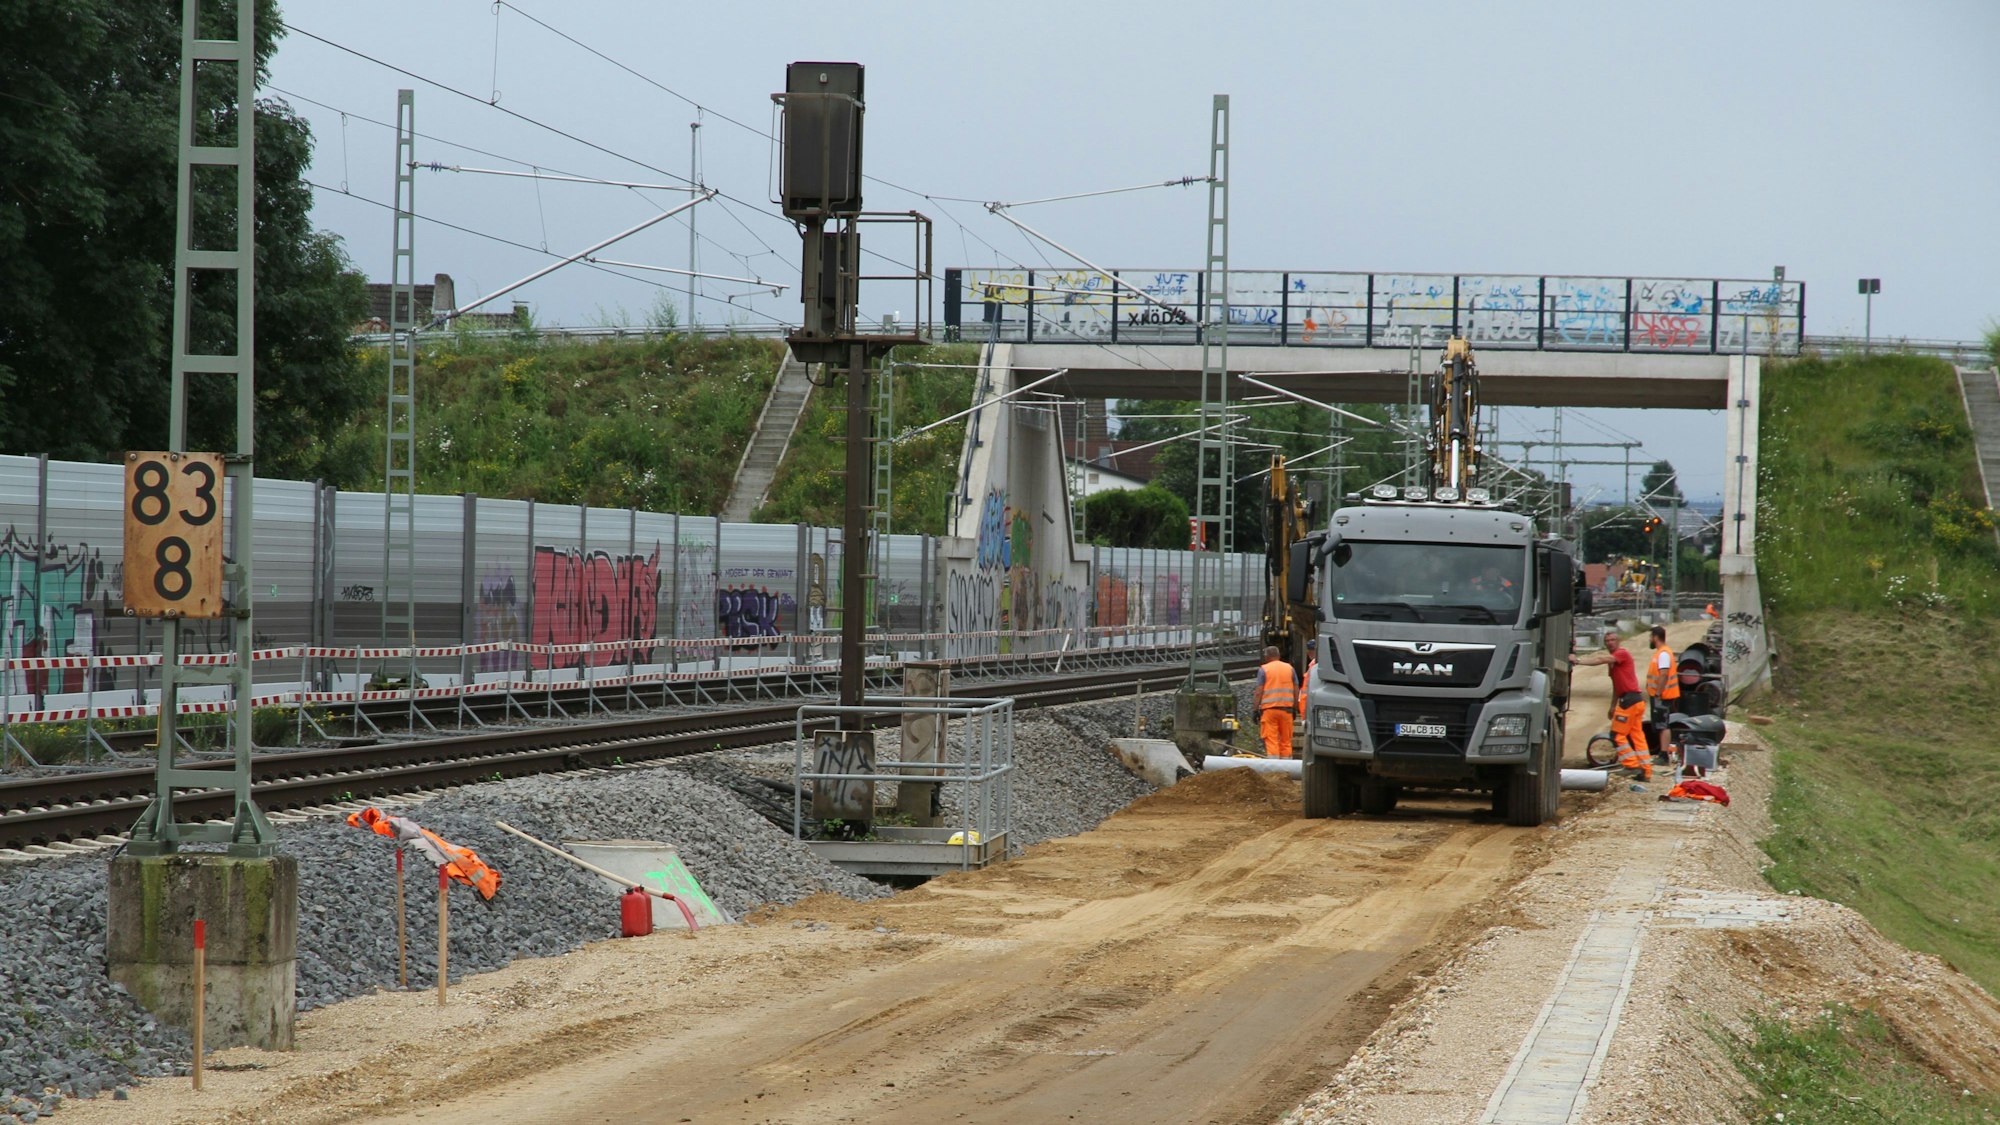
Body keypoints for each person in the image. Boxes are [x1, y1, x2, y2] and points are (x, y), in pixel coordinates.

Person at [1575, 632, 1651, 780]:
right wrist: (1612, 706)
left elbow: (1600, 658)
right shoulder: (1613, 663)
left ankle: (1631, 765)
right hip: (1635, 701)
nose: (1610, 643)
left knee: (1617, 735)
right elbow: (1617, 686)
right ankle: (1645, 771)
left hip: (1629, 701)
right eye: (1607, 640)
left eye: (1613, 640)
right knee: (1637, 736)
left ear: (1619, 641)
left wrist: (1577, 661)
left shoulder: (1621, 654)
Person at [1251, 645, 1299, 759]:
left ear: (1267, 657)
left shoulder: (1264, 669)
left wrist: (1254, 709)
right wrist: (1295, 708)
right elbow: (1296, 689)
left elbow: (1258, 692)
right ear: (1278, 655)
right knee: (1286, 741)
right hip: (1287, 710)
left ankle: (1274, 768)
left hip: (1269, 711)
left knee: (1271, 740)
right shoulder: (1289, 668)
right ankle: (1287, 767)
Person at [1645, 624, 1682, 759]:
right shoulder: (1661, 653)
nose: (1649, 639)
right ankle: (1663, 752)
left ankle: (1664, 754)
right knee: (1660, 724)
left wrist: (1658, 693)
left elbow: (1664, 674)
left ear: (1655, 637)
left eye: (1650, 636)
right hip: (1661, 694)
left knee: (1663, 724)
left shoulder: (1664, 654)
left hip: (1663, 695)